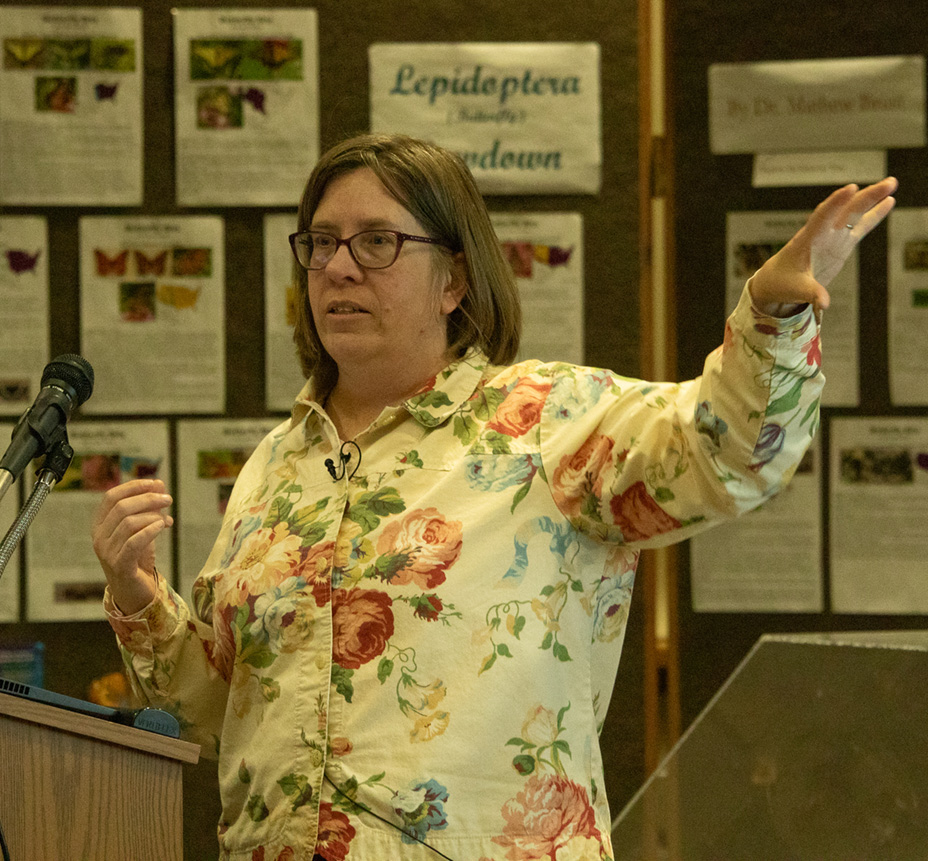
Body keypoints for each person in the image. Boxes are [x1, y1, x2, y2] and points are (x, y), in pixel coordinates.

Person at [93, 133, 897, 861]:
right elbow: (223, 708)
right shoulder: (276, 464)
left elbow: (729, 457)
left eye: (377, 241)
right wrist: (137, 595)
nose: (339, 266)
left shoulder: (548, 421)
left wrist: (771, 317)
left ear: (455, 280)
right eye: (323, 243)